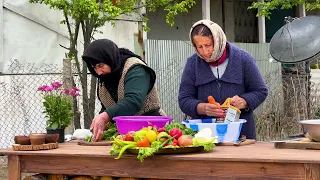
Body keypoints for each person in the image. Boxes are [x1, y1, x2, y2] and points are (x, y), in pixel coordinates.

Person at [178, 20, 268, 139]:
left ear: (218, 40)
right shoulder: (192, 64)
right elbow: (184, 100)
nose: (205, 52)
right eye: (200, 47)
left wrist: (244, 101)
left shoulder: (243, 59)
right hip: (204, 137)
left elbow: (260, 91)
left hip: (241, 136)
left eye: (208, 45)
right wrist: (204, 108)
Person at [82, 39, 165, 142]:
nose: (98, 72)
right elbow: (108, 106)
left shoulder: (136, 69)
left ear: (109, 59)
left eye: (101, 65)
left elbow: (133, 101)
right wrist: (100, 125)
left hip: (152, 130)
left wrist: (105, 116)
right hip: (125, 133)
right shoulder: (105, 78)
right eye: (94, 67)